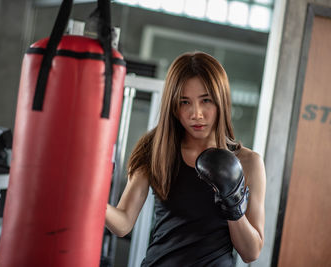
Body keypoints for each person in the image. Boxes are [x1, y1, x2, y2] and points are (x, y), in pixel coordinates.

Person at [105, 51, 266, 266]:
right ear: (173, 106)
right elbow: (123, 222)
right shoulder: (157, 150)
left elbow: (251, 252)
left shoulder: (248, 162)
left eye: (206, 100)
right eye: (184, 102)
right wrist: (92, 199)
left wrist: (233, 204)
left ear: (221, 101)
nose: (196, 113)